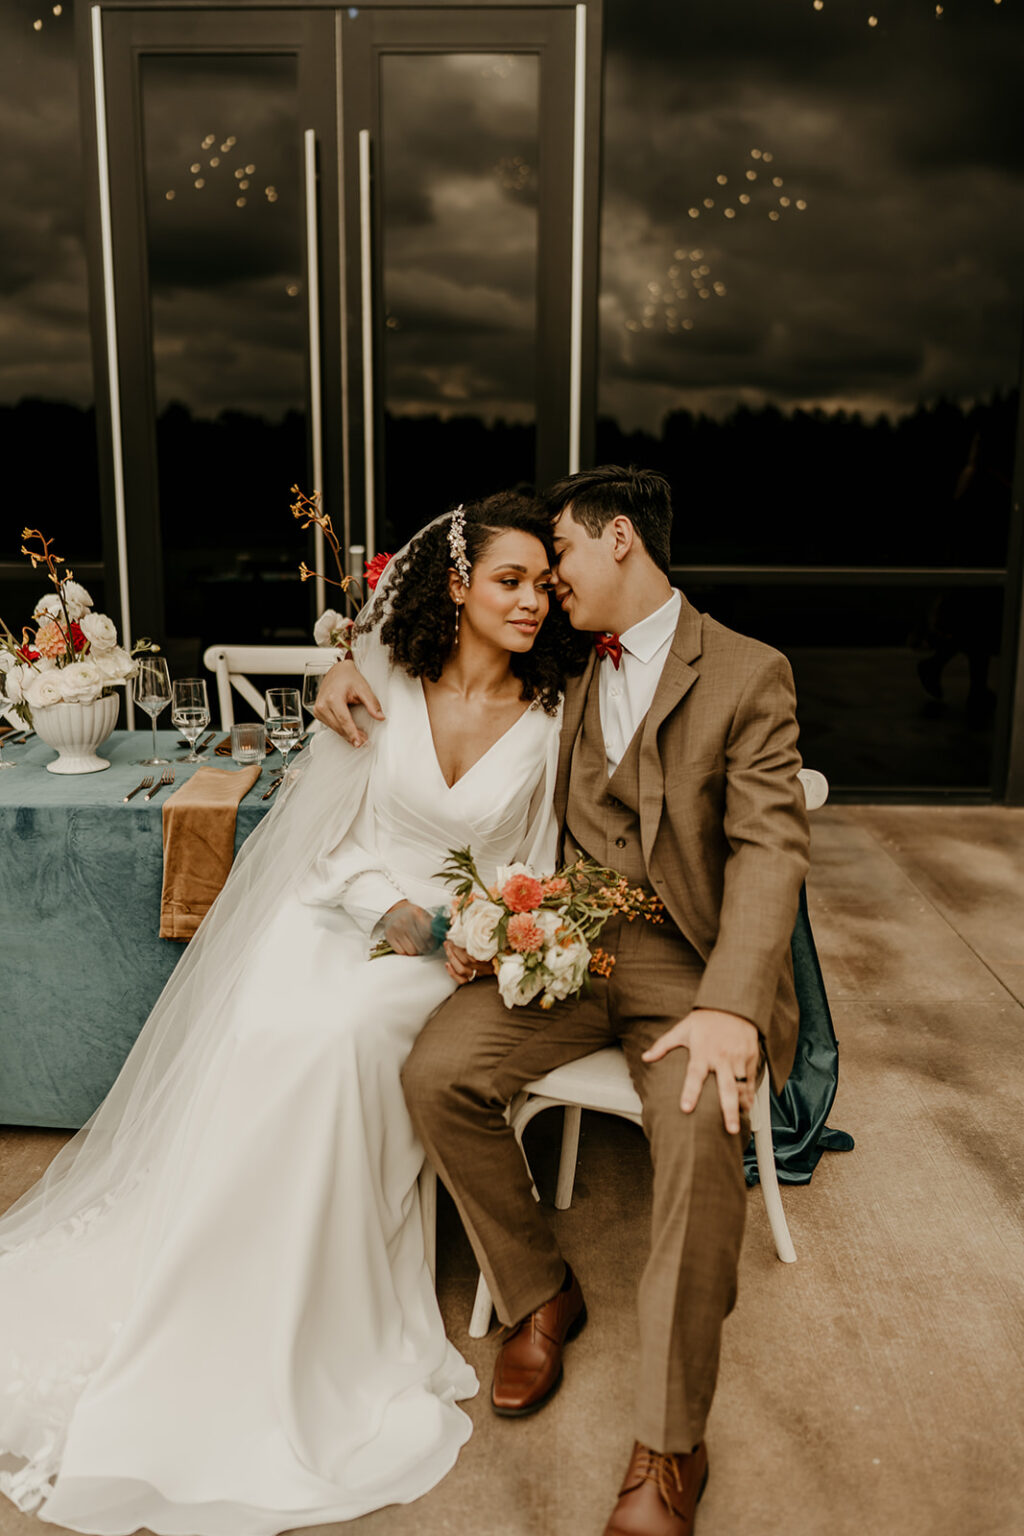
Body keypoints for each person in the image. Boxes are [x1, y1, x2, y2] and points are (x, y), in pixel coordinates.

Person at [0, 492, 587, 1535]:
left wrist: (492, 933)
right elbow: (331, 845)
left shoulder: (551, 718)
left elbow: (533, 866)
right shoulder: (383, 690)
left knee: (340, 1037)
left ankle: (305, 1320)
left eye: (544, 584)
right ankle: (201, 1278)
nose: (533, 601)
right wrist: (391, 911)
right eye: (510, 579)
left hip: (447, 954)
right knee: (275, 1021)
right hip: (346, 911)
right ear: (456, 585)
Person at [314, 465, 811, 1536]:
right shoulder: (567, 668)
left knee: (694, 1131)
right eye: (530, 573)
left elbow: (772, 848)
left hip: (693, 972)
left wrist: (732, 1006)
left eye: (563, 560)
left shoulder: (746, 671)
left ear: (619, 538)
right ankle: (541, 1289)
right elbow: (431, 647)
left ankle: (670, 1448)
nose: (547, 587)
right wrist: (333, 669)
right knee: (436, 1073)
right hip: (575, 949)